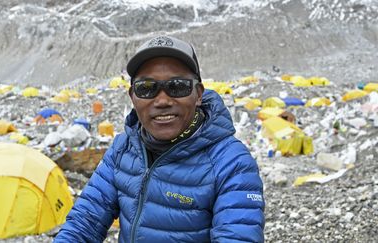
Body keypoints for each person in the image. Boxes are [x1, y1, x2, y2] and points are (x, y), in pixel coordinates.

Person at [55, 36, 265, 242]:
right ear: (132, 97)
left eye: (178, 86)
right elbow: (83, 224)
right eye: (146, 88)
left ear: (198, 94)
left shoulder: (231, 163)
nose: (163, 100)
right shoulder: (123, 149)